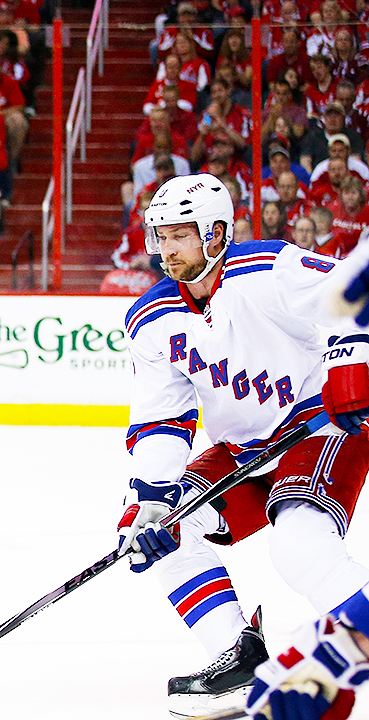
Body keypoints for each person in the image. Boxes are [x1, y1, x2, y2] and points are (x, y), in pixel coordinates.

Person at [116, 173, 369, 718]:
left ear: (215, 233)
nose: (167, 249)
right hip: (243, 452)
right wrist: (154, 499)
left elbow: (351, 294)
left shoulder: (268, 269)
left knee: (299, 545)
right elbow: (162, 417)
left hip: (318, 427)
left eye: (181, 235)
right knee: (151, 527)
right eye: (161, 236)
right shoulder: (151, 319)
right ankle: (239, 659)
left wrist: (352, 364)